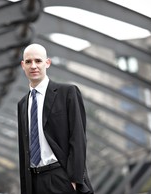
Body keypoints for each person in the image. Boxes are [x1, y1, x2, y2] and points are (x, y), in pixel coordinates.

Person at [17, 43, 94, 194]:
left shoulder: (67, 93)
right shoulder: (23, 104)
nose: (33, 66)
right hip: (33, 182)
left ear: (47, 63)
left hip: (61, 178)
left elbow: (78, 137)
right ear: (22, 65)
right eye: (28, 62)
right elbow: (23, 149)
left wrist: (74, 180)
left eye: (38, 61)